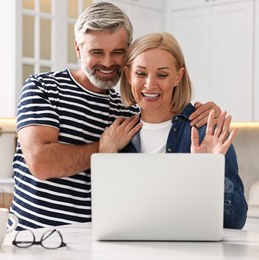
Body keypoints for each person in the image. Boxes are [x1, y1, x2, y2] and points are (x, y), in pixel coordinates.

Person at [10, 2, 221, 230]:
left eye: (117, 52)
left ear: (128, 52)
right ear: (78, 49)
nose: (108, 63)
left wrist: (202, 114)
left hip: (97, 241)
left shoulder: (129, 108)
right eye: (97, 52)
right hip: (34, 239)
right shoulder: (44, 88)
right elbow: (41, 163)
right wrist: (102, 148)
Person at [99, 32, 247, 229]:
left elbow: (235, 221)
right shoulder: (118, 138)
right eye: (140, 73)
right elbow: (108, 216)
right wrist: (105, 155)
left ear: (178, 76)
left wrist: (208, 170)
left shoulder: (205, 131)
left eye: (162, 74)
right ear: (127, 75)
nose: (150, 84)